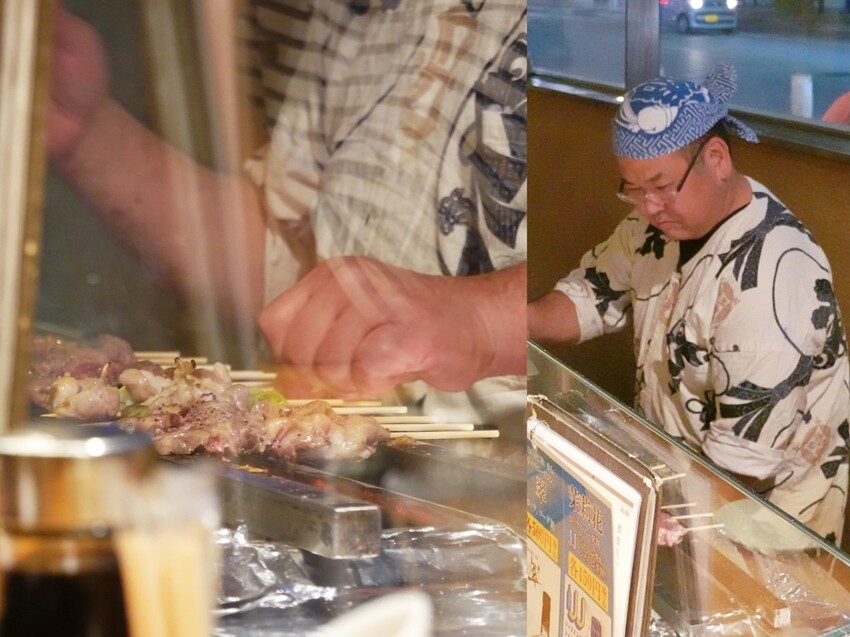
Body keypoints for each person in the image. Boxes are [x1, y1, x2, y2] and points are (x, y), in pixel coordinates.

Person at [47, 2, 527, 428]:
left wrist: (489, 321)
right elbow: (294, 264)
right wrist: (88, 136)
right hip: (361, 464)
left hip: (528, 474)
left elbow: (579, 286)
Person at [528, 64, 849, 542]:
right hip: (679, 485)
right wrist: (514, 322)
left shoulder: (774, 280)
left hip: (765, 524)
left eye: (661, 187)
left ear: (716, 158)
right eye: (634, 190)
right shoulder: (654, 225)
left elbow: (743, 468)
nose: (649, 206)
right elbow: (592, 294)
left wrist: (644, 507)